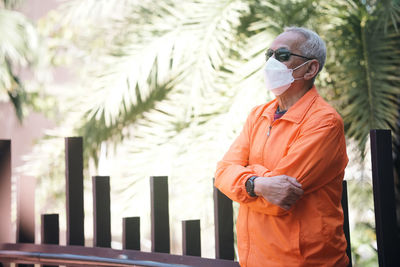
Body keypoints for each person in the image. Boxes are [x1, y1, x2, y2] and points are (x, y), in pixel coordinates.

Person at [214, 27, 349, 267]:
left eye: (283, 56)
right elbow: (222, 173)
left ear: (310, 69)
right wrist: (258, 183)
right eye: (269, 55)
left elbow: (281, 196)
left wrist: (247, 173)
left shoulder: (324, 122)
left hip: (305, 262)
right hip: (254, 260)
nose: (271, 63)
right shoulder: (259, 115)